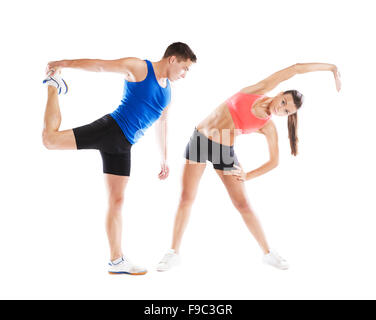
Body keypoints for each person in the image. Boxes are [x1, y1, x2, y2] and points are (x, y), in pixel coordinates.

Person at [156, 62, 341, 271]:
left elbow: (274, 161)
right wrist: (331, 68)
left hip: (224, 149)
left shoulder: (268, 127)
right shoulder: (258, 90)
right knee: (186, 198)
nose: (281, 108)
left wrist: (247, 175)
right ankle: (173, 253)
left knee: (242, 204)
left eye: (286, 110)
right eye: (283, 102)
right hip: (200, 139)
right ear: (280, 93)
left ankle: (268, 253)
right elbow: (295, 69)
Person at [42, 42, 197, 275]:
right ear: (173, 59)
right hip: (111, 130)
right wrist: (62, 64)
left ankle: (116, 261)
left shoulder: (168, 92)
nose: (184, 75)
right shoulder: (139, 67)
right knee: (50, 140)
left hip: (124, 147)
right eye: (184, 68)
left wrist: (164, 158)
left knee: (117, 202)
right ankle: (53, 86)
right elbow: (100, 67)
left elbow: (162, 123)